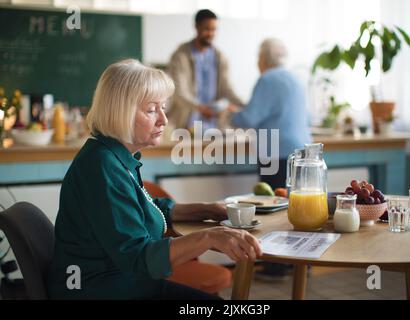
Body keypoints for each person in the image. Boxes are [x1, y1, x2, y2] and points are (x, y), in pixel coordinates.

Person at [47, 59, 262, 300]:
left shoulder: (112, 155)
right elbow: (138, 257)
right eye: (151, 109)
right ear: (122, 112)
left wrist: (206, 209)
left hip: (123, 284)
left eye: (163, 107)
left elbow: (142, 208)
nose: (164, 119)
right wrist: (209, 236)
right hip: (101, 291)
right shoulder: (101, 166)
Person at [229, 38, 312, 279]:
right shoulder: (293, 79)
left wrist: (232, 114)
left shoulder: (267, 79)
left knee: (272, 209)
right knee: (298, 208)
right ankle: (301, 264)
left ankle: (276, 267)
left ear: (263, 59)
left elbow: (250, 118)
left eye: (258, 58)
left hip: (275, 150)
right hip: (301, 150)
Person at [167, 9, 243, 130]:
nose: (211, 34)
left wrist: (243, 105)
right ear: (196, 27)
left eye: (214, 29)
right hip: (185, 125)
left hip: (214, 125)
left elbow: (227, 89)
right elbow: (179, 92)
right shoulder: (180, 56)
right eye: (207, 29)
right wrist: (200, 108)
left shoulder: (220, 57)